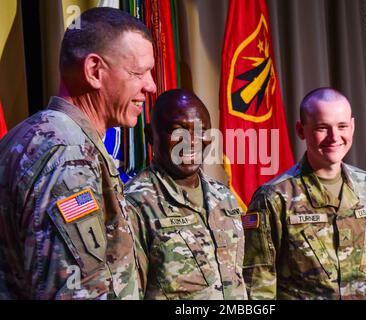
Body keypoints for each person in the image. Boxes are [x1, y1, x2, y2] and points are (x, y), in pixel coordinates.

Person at [0, 7, 156, 299]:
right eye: (139, 73)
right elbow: (73, 291)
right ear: (95, 71)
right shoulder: (69, 154)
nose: (151, 85)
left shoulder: (26, 136)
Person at [242, 87, 366, 300]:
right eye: (322, 127)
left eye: (342, 126)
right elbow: (258, 287)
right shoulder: (273, 198)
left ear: (352, 127)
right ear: (301, 130)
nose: (334, 137)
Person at [125, 89, 248, 300]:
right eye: (177, 131)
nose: (191, 141)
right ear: (150, 135)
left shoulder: (224, 197)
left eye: (201, 131)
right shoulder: (132, 204)